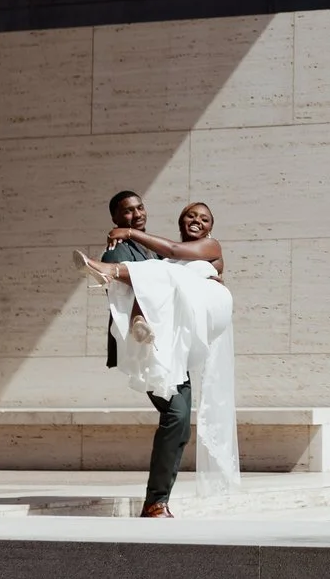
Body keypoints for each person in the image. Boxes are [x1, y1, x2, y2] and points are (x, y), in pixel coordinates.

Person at [76, 201, 241, 510]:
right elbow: (168, 258)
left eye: (204, 218)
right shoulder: (150, 256)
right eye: (190, 215)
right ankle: (157, 503)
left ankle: (110, 273)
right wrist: (121, 242)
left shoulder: (203, 248)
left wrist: (128, 234)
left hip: (202, 313)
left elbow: (176, 252)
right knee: (177, 418)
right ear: (180, 222)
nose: (196, 220)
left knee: (158, 272)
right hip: (170, 340)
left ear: (210, 229)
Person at [97, 190, 192, 517]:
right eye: (127, 212)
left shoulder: (149, 248)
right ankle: (155, 502)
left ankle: (159, 500)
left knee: (181, 423)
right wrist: (110, 262)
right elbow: (113, 278)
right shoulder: (118, 249)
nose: (135, 215)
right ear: (115, 219)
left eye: (139, 208)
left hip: (172, 345)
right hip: (146, 349)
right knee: (176, 415)